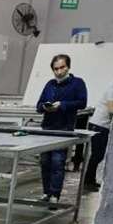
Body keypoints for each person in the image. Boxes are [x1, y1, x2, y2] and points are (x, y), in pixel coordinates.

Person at [36, 54, 88, 206]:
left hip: (64, 129)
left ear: (68, 67)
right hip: (47, 128)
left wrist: (62, 105)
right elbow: (38, 105)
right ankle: (46, 192)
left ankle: (54, 195)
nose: (59, 71)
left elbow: (82, 102)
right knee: (45, 162)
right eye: (56, 69)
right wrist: (45, 107)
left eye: (62, 67)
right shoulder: (50, 84)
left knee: (57, 162)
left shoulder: (77, 83)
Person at [84, 63, 113, 192]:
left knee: (97, 155)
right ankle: (87, 182)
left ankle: (90, 180)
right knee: (97, 155)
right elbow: (111, 109)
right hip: (99, 125)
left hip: (100, 125)